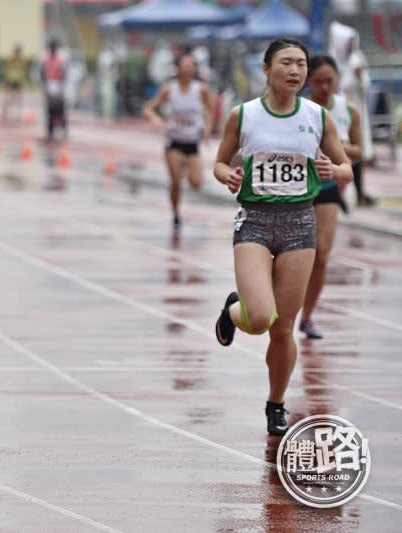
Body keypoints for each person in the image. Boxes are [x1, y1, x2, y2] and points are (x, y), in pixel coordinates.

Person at [212, 38, 352, 436]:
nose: (295, 71)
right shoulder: (244, 116)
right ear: (266, 68)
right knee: (258, 318)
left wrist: (333, 170)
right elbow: (220, 163)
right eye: (286, 63)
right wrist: (230, 175)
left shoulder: (318, 116)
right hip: (255, 222)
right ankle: (233, 311)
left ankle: (276, 403)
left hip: (298, 225)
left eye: (301, 65)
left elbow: (346, 169)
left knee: (283, 327)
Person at [299, 55, 362, 340]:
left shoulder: (347, 109)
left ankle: (308, 316)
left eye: (330, 81)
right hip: (295, 187)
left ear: (338, 80)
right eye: (319, 81)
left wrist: (341, 149)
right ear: (308, 81)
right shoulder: (300, 109)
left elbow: (361, 151)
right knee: (293, 253)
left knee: (322, 254)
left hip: (327, 187)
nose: (325, 87)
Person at [142, 53, 215, 227]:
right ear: (178, 68)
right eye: (185, 65)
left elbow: (211, 111)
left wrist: (207, 129)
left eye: (191, 65)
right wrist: (154, 118)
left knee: (196, 183)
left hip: (192, 141)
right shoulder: (169, 88)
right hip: (174, 140)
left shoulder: (201, 89)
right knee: (175, 181)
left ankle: (186, 165)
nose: (188, 68)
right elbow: (148, 108)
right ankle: (176, 213)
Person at [329, 21, 375, 205]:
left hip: (356, 110)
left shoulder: (357, 59)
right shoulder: (332, 60)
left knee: (358, 151)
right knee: (337, 151)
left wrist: (359, 76)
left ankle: (360, 193)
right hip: (337, 112)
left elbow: (366, 84)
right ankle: (338, 195)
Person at [40, 39, 67, 142]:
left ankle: (63, 130)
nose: (53, 50)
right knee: (50, 110)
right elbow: (42, 73)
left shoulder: (60, 60)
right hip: (49, 85)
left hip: (58, 86)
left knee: (61, 110)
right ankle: (50, 132)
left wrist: (62, 86)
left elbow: (63, 73)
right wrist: (45, 85)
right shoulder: (46, 60)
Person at [2, 44, 27, 121]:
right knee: (9, 97)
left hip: (18, 81)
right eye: (17, 52)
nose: (18, 54)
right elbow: (7, 70)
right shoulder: (10, 60)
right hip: (11, 80)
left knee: (19, 98)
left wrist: (23, 81)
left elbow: (23, 71)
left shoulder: (22, 60)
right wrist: (7, 81)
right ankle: (5, 111)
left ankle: (19, 114)